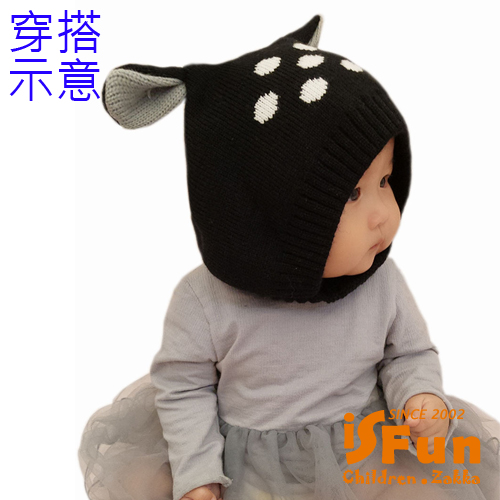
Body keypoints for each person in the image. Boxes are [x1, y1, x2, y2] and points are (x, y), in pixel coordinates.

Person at [78, 15, 500, 500]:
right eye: (352, 194)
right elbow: (186, 388)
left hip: (365, 454)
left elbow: (407, 353)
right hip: (248, 469)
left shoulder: (381, 282)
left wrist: (419, 396)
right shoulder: (204, 301)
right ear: (269, 214)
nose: (384, 214)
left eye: (385, 181)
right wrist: (198, 474)